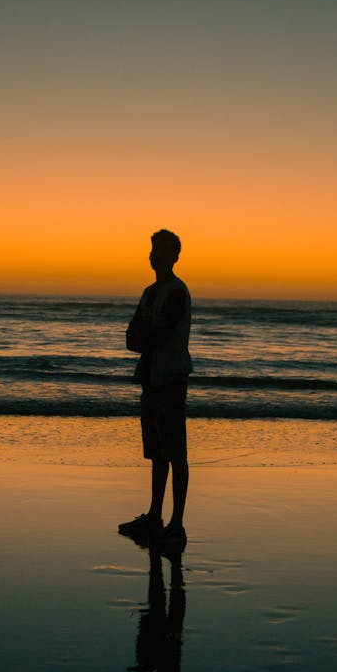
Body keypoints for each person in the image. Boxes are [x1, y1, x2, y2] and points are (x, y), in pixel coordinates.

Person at [119, 229, 192, 544]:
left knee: (175, 452)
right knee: (157, 451)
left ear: (175, 256)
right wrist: (145, 335)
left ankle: (176, 524)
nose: (156, 256)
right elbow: (131, 337)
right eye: (153, 251)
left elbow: (155, 336)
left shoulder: (176, 291)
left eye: (162, 251)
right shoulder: (149, 292)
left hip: (171, 377)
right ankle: (154, 516)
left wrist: (144, 335)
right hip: (150, 377)